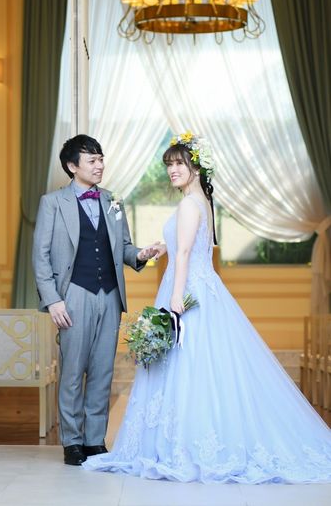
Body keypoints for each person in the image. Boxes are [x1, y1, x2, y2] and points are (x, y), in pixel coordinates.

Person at [83, 131, 331, 483]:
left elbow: (186, 252)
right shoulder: (201, 201)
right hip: (202, 288)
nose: (172, 170)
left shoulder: (188, 204)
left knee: (186, 364)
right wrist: (163, 247)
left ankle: (182, 447)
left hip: (186, 290)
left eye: (178, 164)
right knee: (203, 368)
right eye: (168, 165)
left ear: (196, 168)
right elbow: (188, 244)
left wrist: (175, 297)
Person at [32, 134, 165, 466]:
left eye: (101, 159)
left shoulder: (113, 200)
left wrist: (142, 255)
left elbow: (124, 248)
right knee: (72, 372)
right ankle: (72, 441)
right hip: (72, 295)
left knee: (103, 371)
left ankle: (95, 440)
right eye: (92, 160)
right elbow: (40, 256)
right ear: (72, 166)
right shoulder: (52, 203)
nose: (99, 165)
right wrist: (53, 300)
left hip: (110, 295)